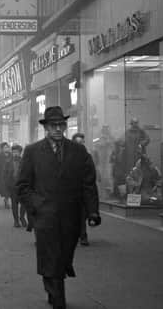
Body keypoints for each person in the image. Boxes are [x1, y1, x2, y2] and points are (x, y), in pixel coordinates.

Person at [17, 106, 100, 309]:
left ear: (64, 127)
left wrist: (92, 211)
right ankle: (58, 297)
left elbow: (88, 182)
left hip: (71, 215)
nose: (57, 129)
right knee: (51, 254)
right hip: (45, 216)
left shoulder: (78, 151)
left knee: (64, 255)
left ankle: (51, 283)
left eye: (60, 125)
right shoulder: (33, 151)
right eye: (52, 125)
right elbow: (22, 186)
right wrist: (37, 205)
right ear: (46, 128)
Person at [72, 133, 91, 246]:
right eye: (77, 142)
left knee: (83, 214)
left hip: (82, 190)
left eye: (82, 142)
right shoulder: (65, 155)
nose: (80, 144)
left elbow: (90, 174)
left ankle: (83, 235)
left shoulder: (87, 156)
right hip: (69, 191)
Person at [7, 144, 27, 228]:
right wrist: (7, 185)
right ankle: (16, 220)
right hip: (13, 186)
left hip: (23, 186)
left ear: (20, 153)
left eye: (17, 152)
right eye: (14, 152)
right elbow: (5, 175)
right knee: (14, 204)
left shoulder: (25, 162)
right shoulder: (8, 162)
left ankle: (22, 217)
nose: (15, 154)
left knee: (24, 204)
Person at [0, 142, 12, 209]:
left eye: (7, 147)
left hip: (10, 174)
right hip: (2, 174)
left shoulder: (11, 154)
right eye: (5, 147)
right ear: (2, 148)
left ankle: (6, 200)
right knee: (5, 188)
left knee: (9, 187)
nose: (6, 148)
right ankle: (6, 200)